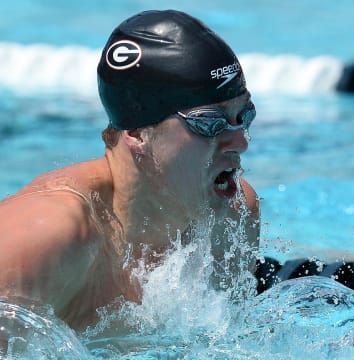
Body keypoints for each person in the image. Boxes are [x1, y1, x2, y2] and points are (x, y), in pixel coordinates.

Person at [0, 10, 259, 330]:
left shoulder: (233, 214)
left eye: (244, 115)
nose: (240, 141)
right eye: (209, 122)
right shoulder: (45, 237)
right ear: (137, 131)